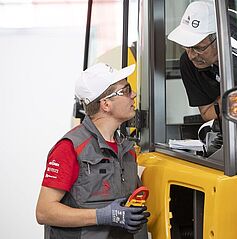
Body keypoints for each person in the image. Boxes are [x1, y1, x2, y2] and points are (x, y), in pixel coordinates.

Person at [36, 63, 150, 239]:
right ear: (106, 104)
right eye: (126, 90)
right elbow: (44, 211)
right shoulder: (70, 148)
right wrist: (103, 215)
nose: (133, 94)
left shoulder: (126, 149)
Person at [167, 0, 220, 122]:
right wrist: (233, 99)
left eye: (199, 48)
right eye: (186, 47)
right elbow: (207, 114)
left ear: (220, 39)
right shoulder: (187, 62)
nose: (192, 56)